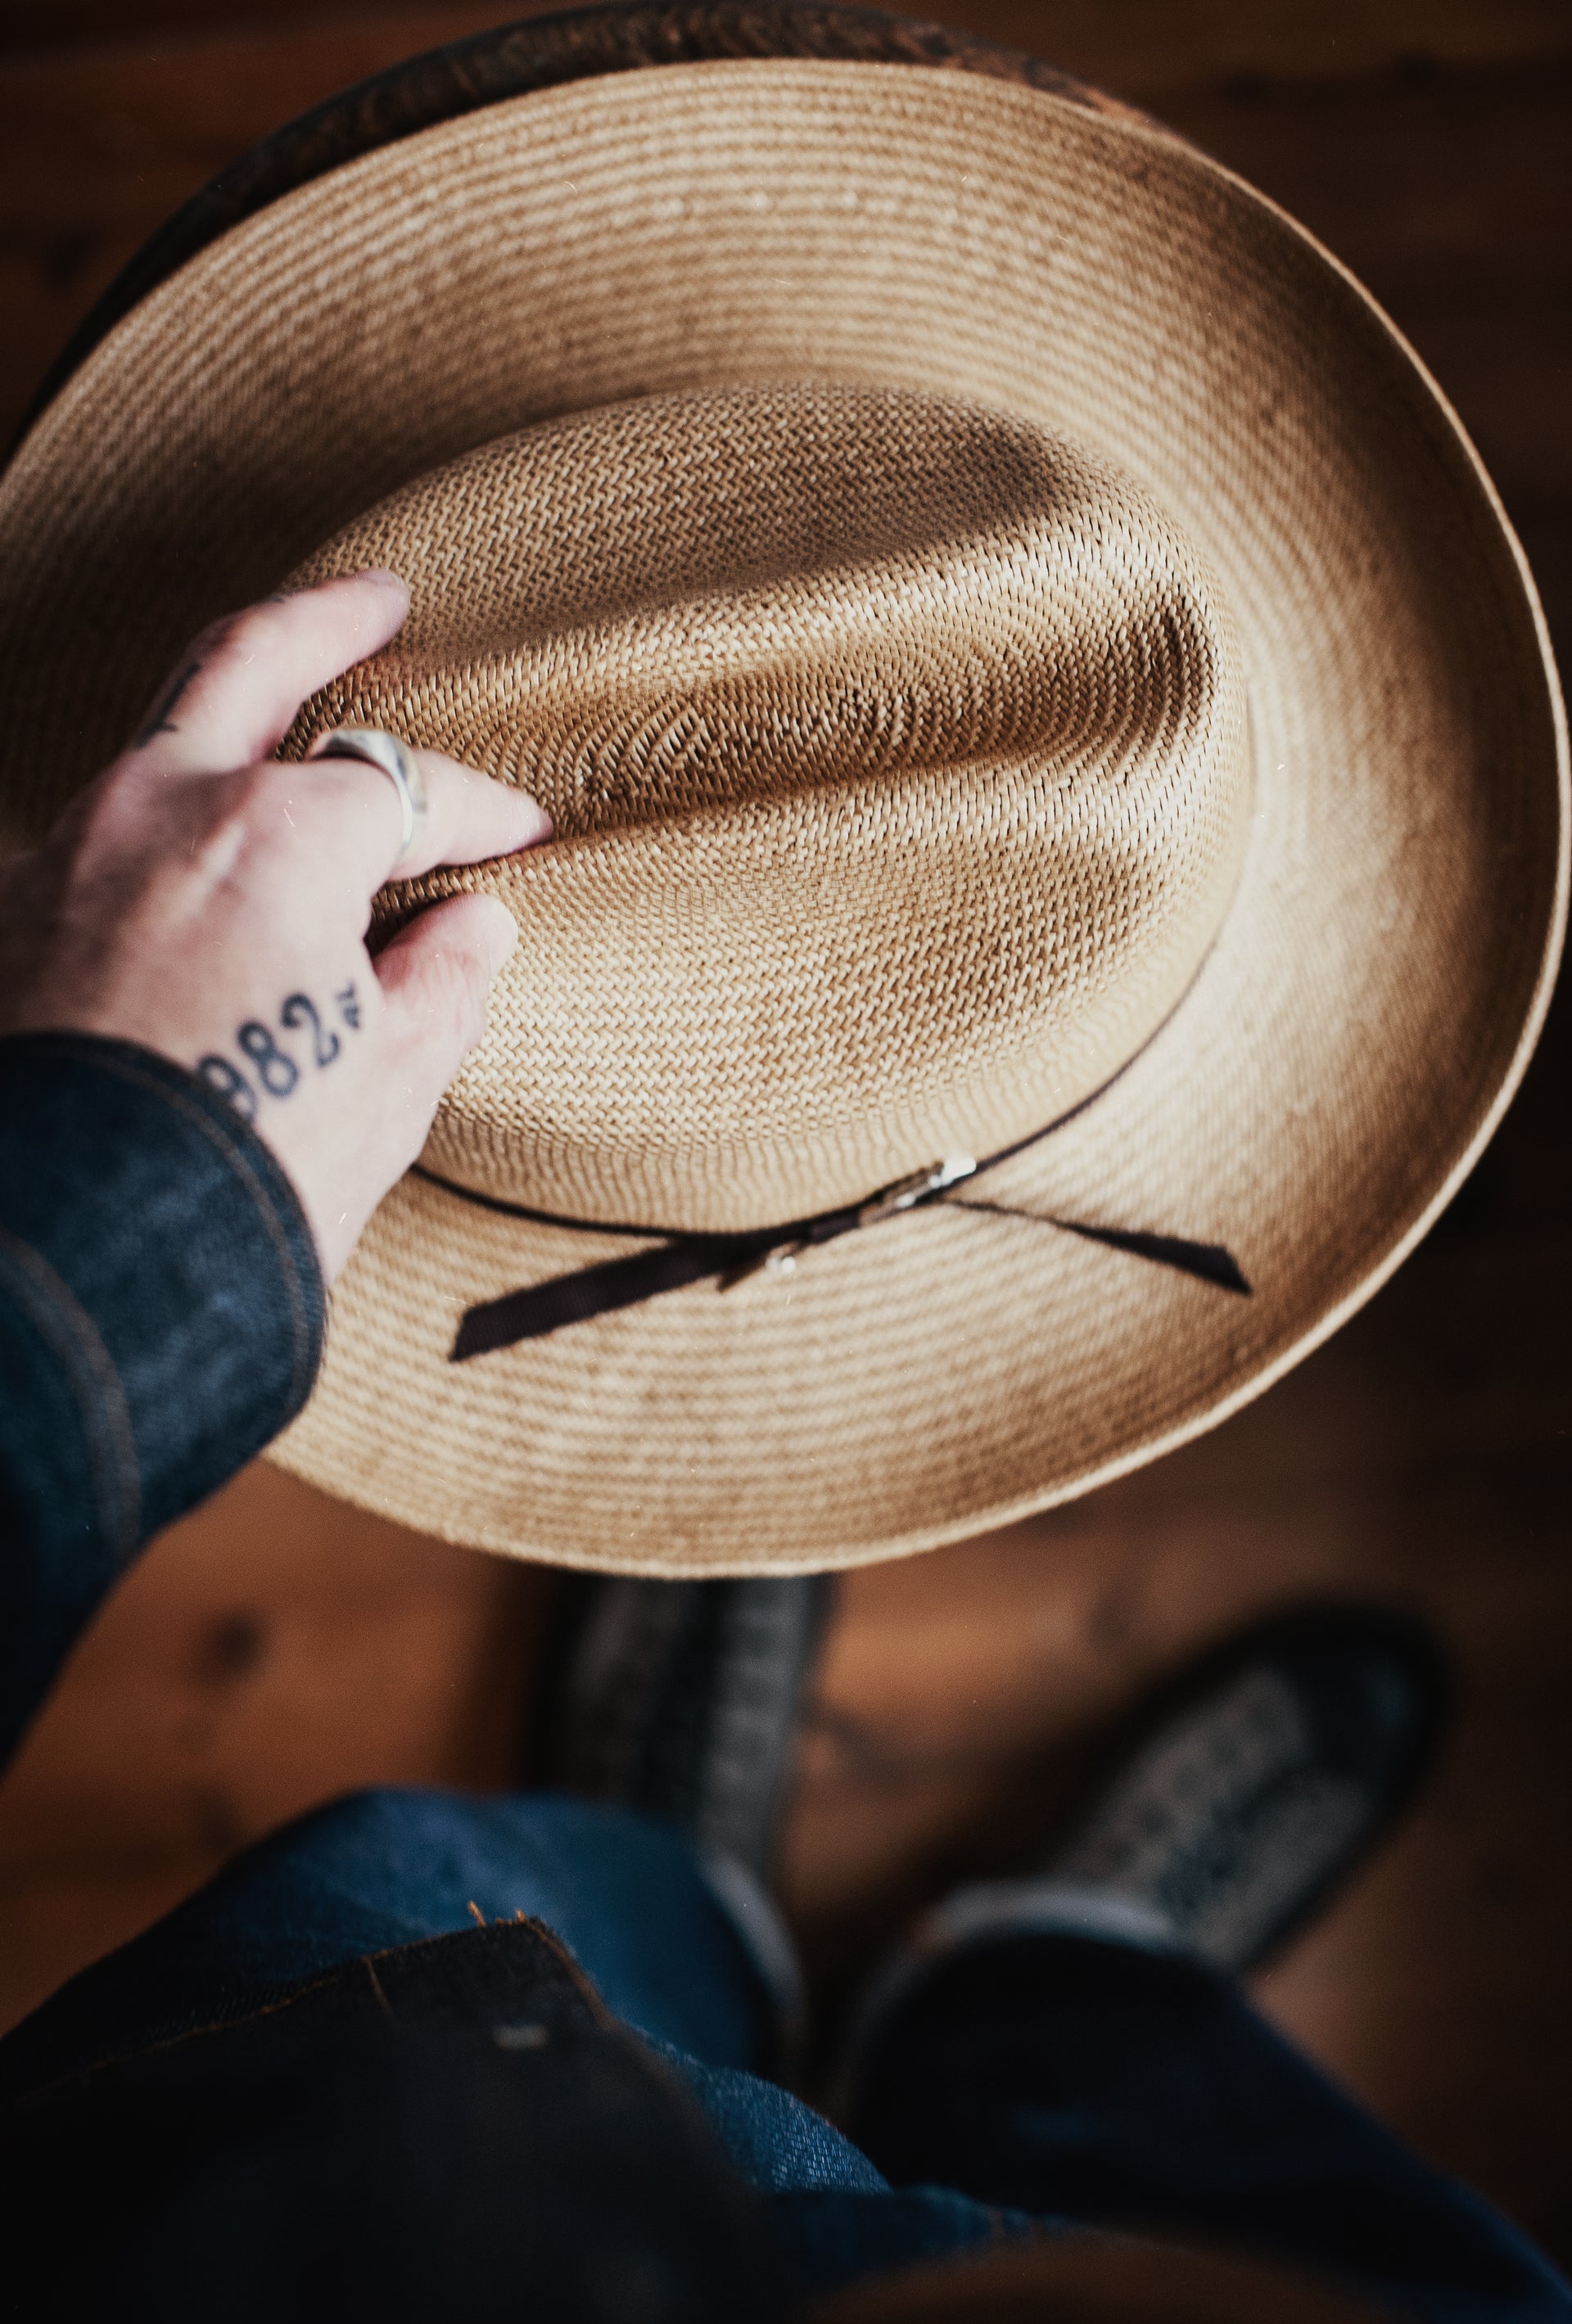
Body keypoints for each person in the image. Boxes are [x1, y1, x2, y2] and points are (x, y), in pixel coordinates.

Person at [0, 576, 1566, 2322]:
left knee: (499, 1934)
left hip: (320, 2186)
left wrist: (109, 1180)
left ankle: (687, 1894)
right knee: (1217, 2159)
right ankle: (1050, 1966)